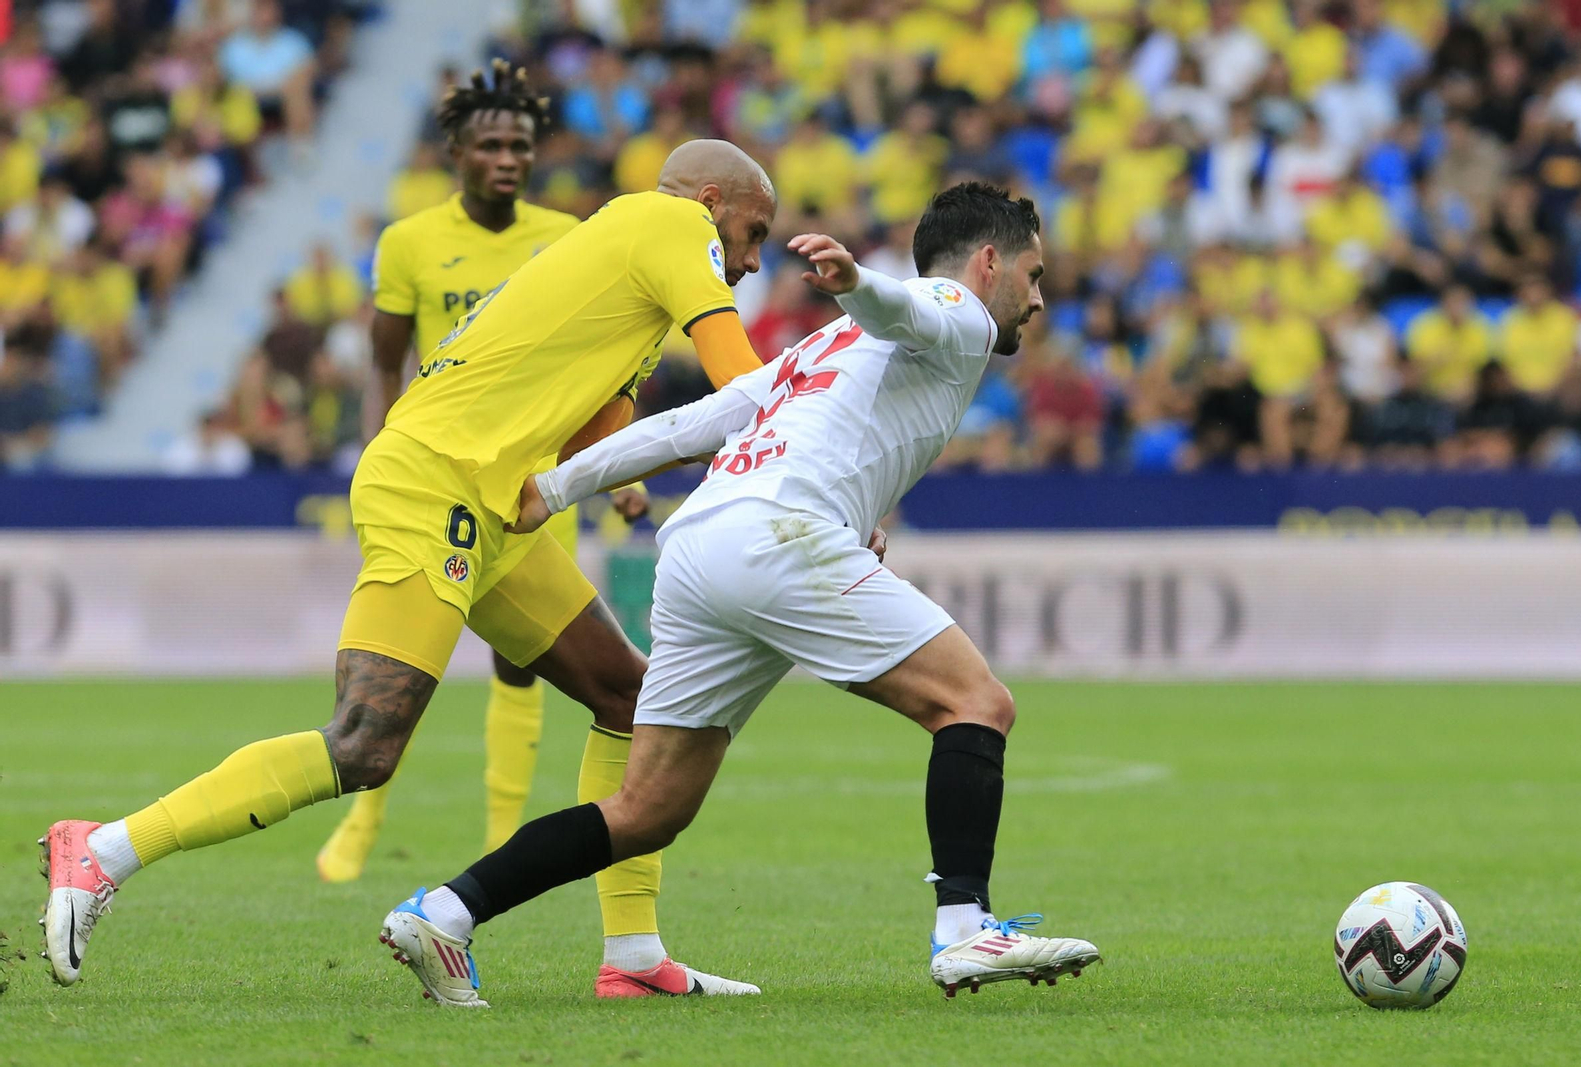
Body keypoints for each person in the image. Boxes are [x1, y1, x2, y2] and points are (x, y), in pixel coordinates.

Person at [41, 137, 779, 1001]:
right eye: (753, 230)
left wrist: (651, 468)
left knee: (629, 696)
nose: (753, 259)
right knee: (365, 742)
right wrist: (815, 467)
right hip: (436, 483)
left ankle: (634, 955)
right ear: (713, 198)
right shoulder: (668, 221)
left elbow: (603, 438)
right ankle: (104, 849)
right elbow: (747, 387)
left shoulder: (629, 284)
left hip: (496, 505)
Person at [378, 183, 1100, 1007]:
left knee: (645, 809)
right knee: (976, 702)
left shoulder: (818, 349)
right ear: (987, 261)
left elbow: (700, 420)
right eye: (1033, 275)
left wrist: (556, 482)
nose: (1038, 298)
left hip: (699, 547)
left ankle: (443, 912)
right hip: (779, 536)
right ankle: (966, 925)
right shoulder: (952, 306)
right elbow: (917, 313)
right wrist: (860, 281)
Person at [316, 60, 640, 889]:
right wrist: (381, 455)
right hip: (434, 473)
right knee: (399, 663)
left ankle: (500, 838)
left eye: (522, 144)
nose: (508, 157)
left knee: (523, 662)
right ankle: (364, 817)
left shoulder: (567, 236)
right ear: (454, 152)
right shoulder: (411, 242)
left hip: (533, 480)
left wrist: (610, 466)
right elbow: (383, 363)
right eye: (490, 143)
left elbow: (593, 371)